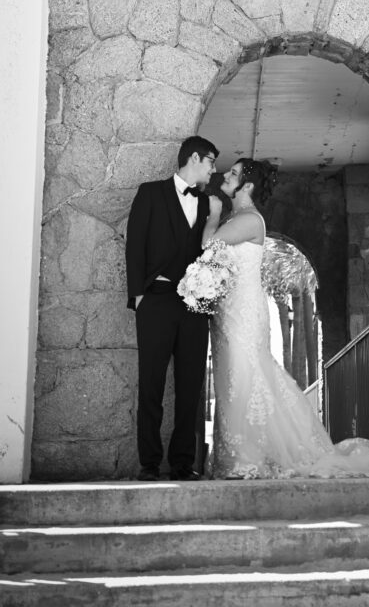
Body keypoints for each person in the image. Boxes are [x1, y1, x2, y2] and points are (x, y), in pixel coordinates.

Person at [204, 157, 369, 479]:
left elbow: (207, 245)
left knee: (245, 375)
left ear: (248, 185)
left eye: (233, 173)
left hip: (242, 312)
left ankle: (248, 456)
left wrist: (212, 216)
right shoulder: (237, 217)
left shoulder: (248, 220)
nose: (226, 176)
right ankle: (237, 454)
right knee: (235, 377)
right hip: (230, 309)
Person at [125, 134, 220, 481]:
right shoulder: (150, 193)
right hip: (157, 302)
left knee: (191, 385)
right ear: (194, 158)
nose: (214, 170)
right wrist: (138, 297)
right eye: (211, 161)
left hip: (195, 307)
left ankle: (183, 462)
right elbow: (134, 245)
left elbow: (211, 252)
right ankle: (149, 463)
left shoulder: (210, 203)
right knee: (150, 383)